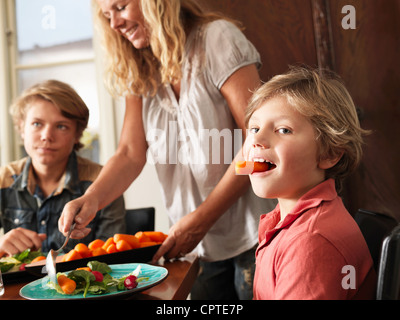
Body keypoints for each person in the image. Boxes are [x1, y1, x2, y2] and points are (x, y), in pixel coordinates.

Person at [58, 0, 275, 299]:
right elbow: (130, 153)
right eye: (107, 16)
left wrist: (200, 221)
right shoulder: (139, 65)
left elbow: (258, 139)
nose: (115, 24)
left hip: (256, 232)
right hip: (193, 247)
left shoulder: (217, 39)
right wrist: (91, 198)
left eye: (120, 7)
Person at [243, 66, 376, 299]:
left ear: (330, 153)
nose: (257, 139)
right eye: (254, 128)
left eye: (283, 130)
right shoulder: (288, 220)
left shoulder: (309, 243)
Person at [0, 80, 126, 257]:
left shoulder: (103, 182)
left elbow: (112, 257)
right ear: (21, 128)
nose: (47, 136)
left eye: (61, 126)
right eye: (37, 124)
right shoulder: (3, 180)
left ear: (77, 134)